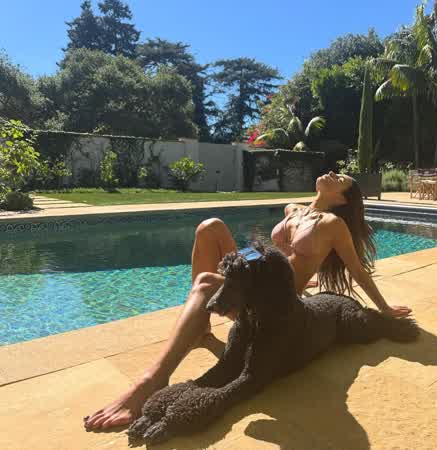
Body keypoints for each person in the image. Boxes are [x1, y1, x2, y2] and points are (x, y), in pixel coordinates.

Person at [84, 171, 412, 431]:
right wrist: (240, 267)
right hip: (254, 286)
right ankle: (201, 329)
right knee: (210, 227)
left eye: (341, 179)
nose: (332, 174)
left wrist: (383, 308)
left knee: (204, 283)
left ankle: (152, 380)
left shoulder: (334, 225)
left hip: (277, 303)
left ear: (342, 198)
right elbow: (265, 254)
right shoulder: (293, 210)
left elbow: (357, 270)